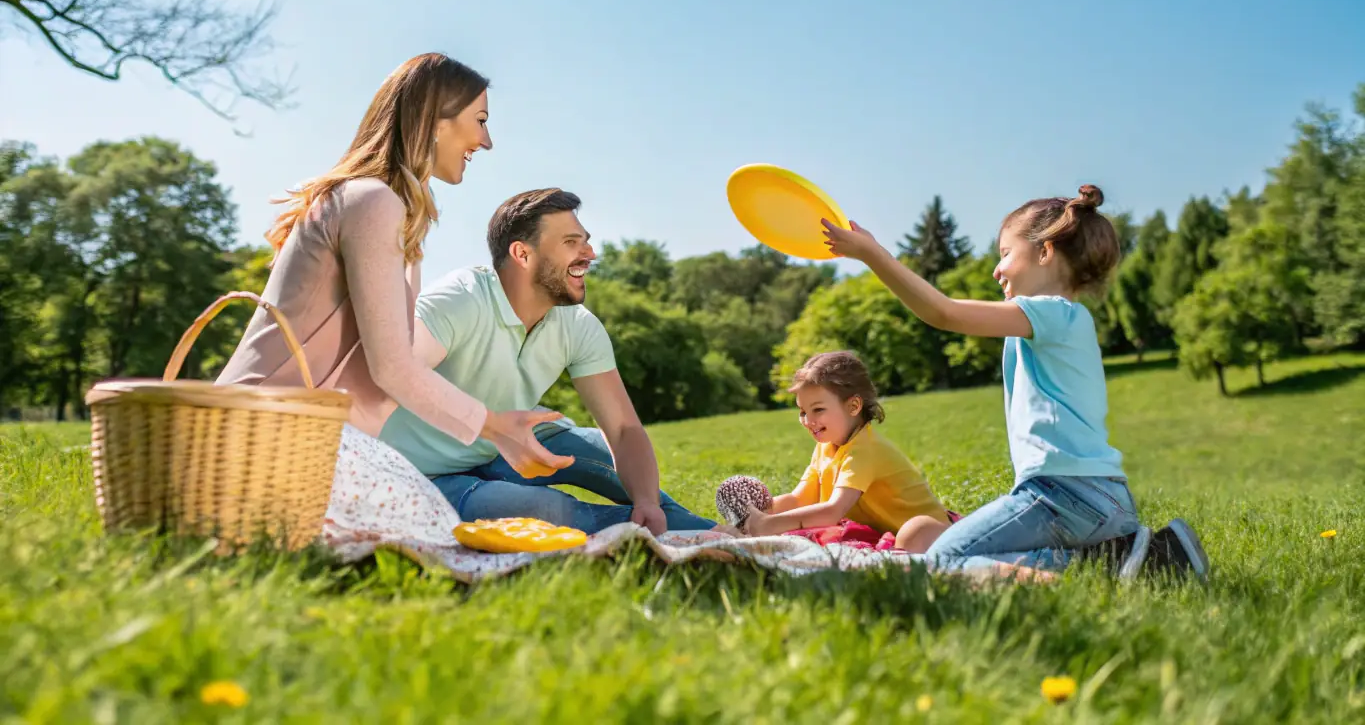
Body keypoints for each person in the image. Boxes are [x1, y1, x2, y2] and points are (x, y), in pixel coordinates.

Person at [217, 54, 574, 532]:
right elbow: (393, 367)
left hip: (307, 438)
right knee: (443, 531)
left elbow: (395, 360)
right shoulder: (371, 202)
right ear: (433, 119)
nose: (486, 141)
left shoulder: (394, 212)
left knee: (443, 525)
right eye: (480, 121)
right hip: (269, 437)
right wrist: (495, 426)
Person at [822, 185, 1210, 581]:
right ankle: (1127, 554)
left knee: (942, 563)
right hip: (1097, 497)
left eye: (1006, 254)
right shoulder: (1064, 320)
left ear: (1045, 252)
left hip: (1063, 496)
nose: (996, 269)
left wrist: (872, 254)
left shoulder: (1048, 313)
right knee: (950, 544)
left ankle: (1113, 565)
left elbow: (944, 313)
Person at [385, 187, 716, 535]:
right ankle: (674, 535)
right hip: (423, 474)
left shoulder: (577, 324)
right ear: (522, 254)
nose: (590, 253)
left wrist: (647, 500)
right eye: (571, 242)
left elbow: (622, 429)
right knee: (542, 510)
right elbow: (402, 374)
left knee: (599, 453)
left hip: (501, 449)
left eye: (585, 241)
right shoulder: (459, 299)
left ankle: (714, 531)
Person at [738, 351, 954, 554]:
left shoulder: (863, 450)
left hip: (935, 533)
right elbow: (799, 499)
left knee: (912, 534)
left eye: (818, 410)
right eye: (802, 411)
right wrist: (755, 512)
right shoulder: (826, 446)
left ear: (853, 406)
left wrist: (769, 524)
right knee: (818, 534)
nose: (807, 421)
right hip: (886, 533)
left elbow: (833, 510)